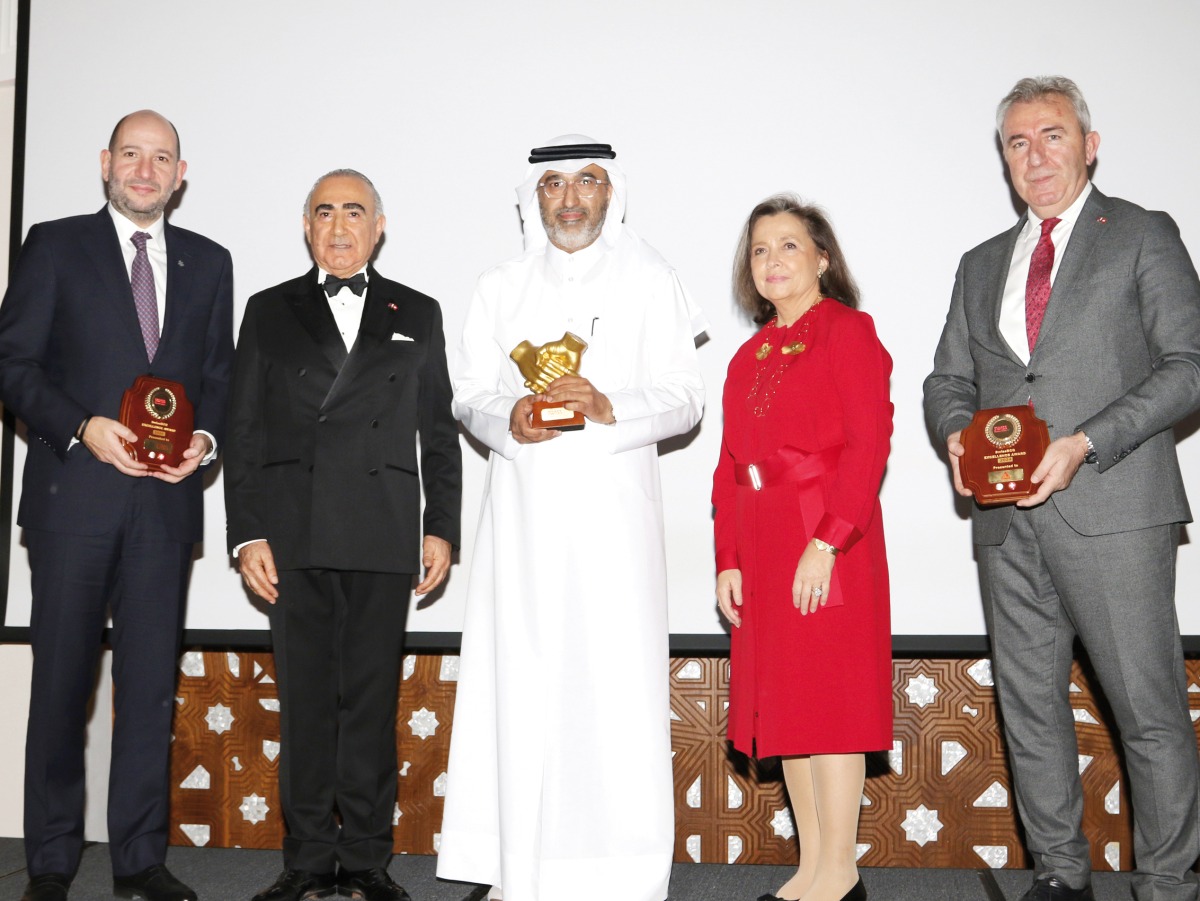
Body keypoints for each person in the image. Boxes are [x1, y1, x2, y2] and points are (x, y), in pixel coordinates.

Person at [924, 76, 1200, 901]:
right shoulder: (980, 264)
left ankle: (1168, 883)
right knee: (1029, 708)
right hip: (1005, 525)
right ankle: (1059, 874)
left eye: (1051, 135)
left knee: (1146, 710)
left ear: (1089, 142)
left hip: (1113, 512)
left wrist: (1086, 442)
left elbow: (1189, 366)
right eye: (1017, 142)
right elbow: (948, 379)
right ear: (1003, 158)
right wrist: (958, 440)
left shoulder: (1143, 235)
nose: (1034, 156)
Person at [436, 136, 706, 901]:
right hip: (522, 523)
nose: (570, 198)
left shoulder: (652, 278)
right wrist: (509, 414)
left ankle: (617, 875)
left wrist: (610, 404)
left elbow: (686, 395)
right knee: (517, 685)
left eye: (587, 182)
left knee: (614, 694)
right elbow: (468, 393)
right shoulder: (499, 284)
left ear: (611, 192)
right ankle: (518, 870)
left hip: (615, 527)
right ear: (534, 197)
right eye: (553, 184)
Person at [0, 110, 233, 901]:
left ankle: (139, 858)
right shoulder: (54, 244)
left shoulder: (210, 261)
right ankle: (53, 861)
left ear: (181, 171)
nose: (145, 169)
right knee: (62, 684)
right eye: (131, 154)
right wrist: (80, 426)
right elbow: (14, 362)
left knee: (146, 690)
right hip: (75, 502)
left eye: (160, 157)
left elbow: (218, 377)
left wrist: (202, 444)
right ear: (106, 162)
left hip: (165, 513)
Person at [224, 169, 461, 901]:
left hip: (382, 528)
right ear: (305, 225)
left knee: (368, 701)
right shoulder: (268, 309)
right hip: (294, 533)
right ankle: (304, 861)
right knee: (304, 701)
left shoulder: (417, 310)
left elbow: (438, 431)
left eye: (353, 211)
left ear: (378, 225)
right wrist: (248, 533)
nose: (338, 226)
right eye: (323, 211)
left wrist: (441, 528)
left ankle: (365, 858)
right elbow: (243, 429)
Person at [712, 195, 892, 901]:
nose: (773, 260)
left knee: (832, 703)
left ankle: (840, 873)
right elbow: (728, 468)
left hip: (826, 539)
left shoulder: (848, 331)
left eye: (789, 245)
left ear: (822, 257)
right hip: (760, 545)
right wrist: (728, 555)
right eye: (760, 249)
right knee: (786, 707)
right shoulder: (744, 356)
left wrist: (830, 541)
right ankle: (811, 867)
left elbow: (868, 444)